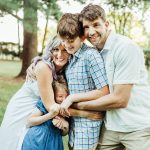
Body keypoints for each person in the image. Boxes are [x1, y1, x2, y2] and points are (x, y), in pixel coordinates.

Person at [68, 4, 150, 150]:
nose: (91, 32)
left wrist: (78, 105)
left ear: (106, 24)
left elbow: (120, 100)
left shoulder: (125, 48)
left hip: (137, 127)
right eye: (86, 27)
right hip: (110, 126)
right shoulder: (92, 53)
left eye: (96, 25)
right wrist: (38, 63)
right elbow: (61, 52)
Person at [0, 35, 70, 150]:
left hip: (36, 111)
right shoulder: (44, 67)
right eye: (56, 49)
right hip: (22, 109)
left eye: (64, 50)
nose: (59, 55)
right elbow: (51, 106)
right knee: (11, 143)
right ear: (50, 50)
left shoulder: (61, 71)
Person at [57, 13, 109, 150]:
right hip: (74, 128)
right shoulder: (71, 58)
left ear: (82, 37)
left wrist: (73, 98)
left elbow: (104, 91)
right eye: (63, 40)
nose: (66, 45)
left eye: (71, 40)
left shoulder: (90, 56)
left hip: (88, 128)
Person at [21, 75, 69, 150]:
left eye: (67, 96)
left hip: (54, 142)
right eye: (60, 96)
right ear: (53, 95)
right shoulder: (45, 103)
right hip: (37, 139)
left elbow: (64, 133)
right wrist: (50, 115)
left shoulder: (66, 108)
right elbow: (30, 121)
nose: (64, 99)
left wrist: (64, 126)